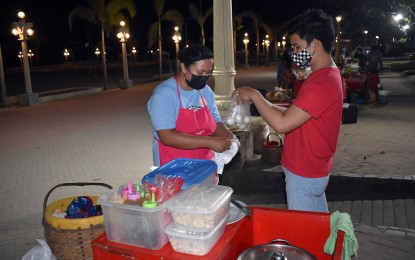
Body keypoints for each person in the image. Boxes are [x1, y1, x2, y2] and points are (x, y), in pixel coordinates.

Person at [232, 9, 343, 212]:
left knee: (303, 236)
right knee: (317, 231)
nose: (293, 53)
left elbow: (282, 124)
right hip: (312, 170)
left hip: (305, 173)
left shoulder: (322, 82)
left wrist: (256, 96)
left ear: (315, 44)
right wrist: (262, 101)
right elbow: (291, 114)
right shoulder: (325, 76)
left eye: (297, 46)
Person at [147, 43, 235, 167]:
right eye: (200, 72)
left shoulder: (205, 91)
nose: (204, 77)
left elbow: (215, 123)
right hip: (173, 164)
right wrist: (209, 142)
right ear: (183, 67)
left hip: (204, 162)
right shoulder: (164, 94)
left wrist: (229, 138)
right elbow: (167, 137)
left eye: (208, 73)